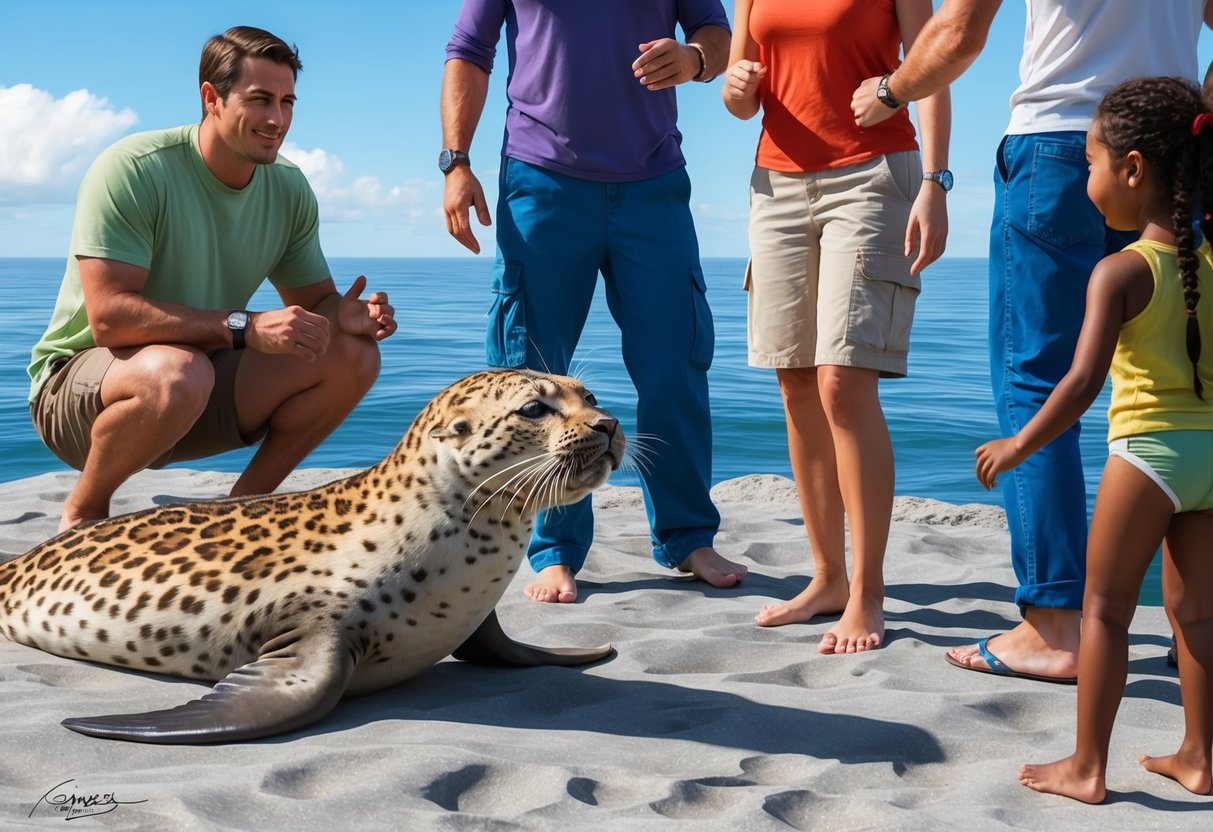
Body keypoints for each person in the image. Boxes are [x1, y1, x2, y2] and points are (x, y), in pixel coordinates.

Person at [850, 0, 1211, 682]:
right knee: (1182, 389)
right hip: (1172, 157)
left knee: (1036, 382)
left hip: (1061, 148)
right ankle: (1193, 624)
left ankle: (1053, 624)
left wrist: (890, 89)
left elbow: (957, 34)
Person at [27, 26, 397, 533]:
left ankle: (239, 515)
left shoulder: (288, 188)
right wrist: (246, 327)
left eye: (287, 101)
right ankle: (85, 513)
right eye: (260, 100)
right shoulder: (134, 169)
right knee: (179, 374)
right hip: (83, 396)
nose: (277, 119)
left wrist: (344, 315)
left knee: (352, 353)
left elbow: (315, 304)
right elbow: (110, 318)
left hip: (194, 387)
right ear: (211, 98)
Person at [441, 2, 749, 604]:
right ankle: (551, 548)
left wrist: (694, 59)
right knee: (529, 378)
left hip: (653, 183)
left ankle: (688, 536)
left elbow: (715, 34)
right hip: (541, 179)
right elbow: (469, 49)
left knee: (676, 364)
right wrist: (456, 161)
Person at [973, 76, 1213, 803]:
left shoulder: (1118, 271)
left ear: (1132, 169)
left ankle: (1085, 767)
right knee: (1197, 613)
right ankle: (1200, 758)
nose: (1087, 178)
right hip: (1209, 458)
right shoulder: (1209, 265)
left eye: (1091, 162)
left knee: (1103, 611)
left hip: (1146, 458)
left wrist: (1018, 445)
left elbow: (1077, 385)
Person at [721, 0, 949, 653]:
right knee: (793, 381)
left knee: (843, 384)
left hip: (873, 177)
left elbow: (931, 64)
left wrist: (934, 181)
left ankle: (866, 592)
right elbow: (742, 97)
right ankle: (825, 578)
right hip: (775, 186)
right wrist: (737, 89)